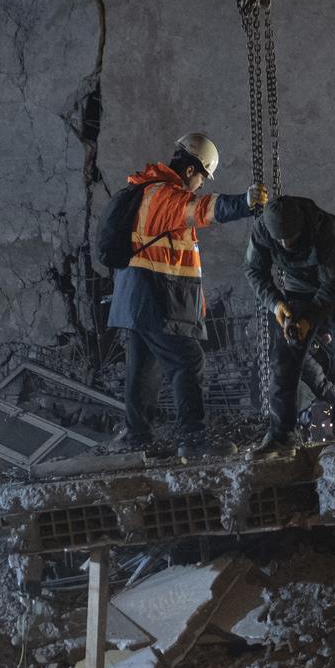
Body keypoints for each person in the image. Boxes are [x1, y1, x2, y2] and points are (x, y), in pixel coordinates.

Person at [107, 133, 265, 460]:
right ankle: (193, 441)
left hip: (142, 297)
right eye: (203, 178)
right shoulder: (165, 195)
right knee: (188, 361)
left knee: (143, 368)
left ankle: (137, 439)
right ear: (192, 169)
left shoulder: (150, 193)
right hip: (154, 296)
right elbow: (205, 209)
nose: (200, 186)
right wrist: (244, 203)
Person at [243, 196, 335, 456]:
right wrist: (277, 305)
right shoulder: (261, 230)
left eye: (290, 237)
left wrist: (309, 320)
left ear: (302, 226)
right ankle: (282, 434)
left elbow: (332, 287)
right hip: (299, 288)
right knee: (284, 355)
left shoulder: (327, 229)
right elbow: (253, 271)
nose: (285, 244)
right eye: (279, 239)